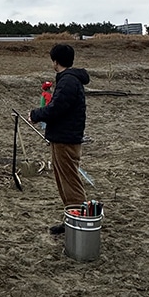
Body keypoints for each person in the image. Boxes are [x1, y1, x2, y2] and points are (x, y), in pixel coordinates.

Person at [29, 44, 91, 235]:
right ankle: (71, 219)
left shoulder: (68, 81)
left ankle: (78, 221)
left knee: (69, 180)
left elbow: (57, 108)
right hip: (63, 137)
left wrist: (36, 114)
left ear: (55, 61)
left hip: (66, 139)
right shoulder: (68, 80)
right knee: (64, 180)